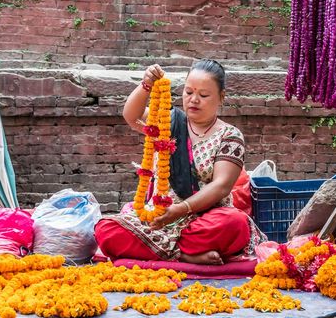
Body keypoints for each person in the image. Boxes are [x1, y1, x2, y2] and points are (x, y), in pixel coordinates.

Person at [94, 59, 266, 265]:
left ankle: (162, 251)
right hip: (160, 218)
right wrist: (146, 85)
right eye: (188, 92)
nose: (194, 100)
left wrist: (181, 209)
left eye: (203, 95)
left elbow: (221, 186)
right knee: (106, 229)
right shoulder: (168, 122)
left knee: (234, 223)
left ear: (221, 98)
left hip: (205, 219)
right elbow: (132, 116)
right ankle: (185, 255)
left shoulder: (229, 135)